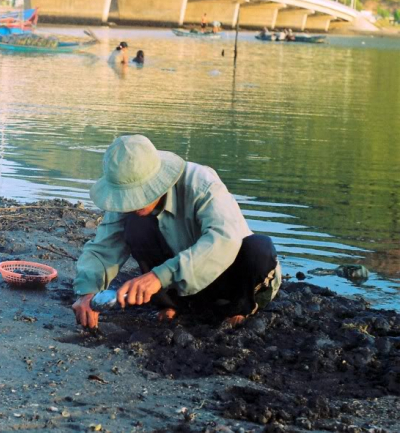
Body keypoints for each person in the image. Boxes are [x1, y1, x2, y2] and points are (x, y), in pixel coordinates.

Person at [72, 135, 281, 329]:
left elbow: (223, 241)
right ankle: (171, 303)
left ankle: (239, 308)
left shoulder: (202, 184)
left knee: (259, 248)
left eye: (137, 195)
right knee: (136, 226)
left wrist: (158, 277)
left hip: (226, 277)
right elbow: (104, 247)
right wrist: (87, 292)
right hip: (178, 283)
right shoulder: (126, 206)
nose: (131, 204)